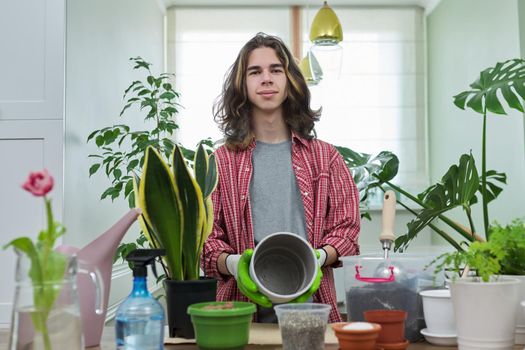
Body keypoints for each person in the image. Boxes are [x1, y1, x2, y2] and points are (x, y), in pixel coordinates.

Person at [202, 32, 360, 323]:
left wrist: (318, 258)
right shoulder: (220, 162)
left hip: (313, 309)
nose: (266, 78)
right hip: (241, 313)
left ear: (290, 81)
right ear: (243, 84)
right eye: (255, 71)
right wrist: (235, 264)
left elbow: (347, 229)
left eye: (276, 70)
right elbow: (207, 239)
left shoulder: (326, 158)